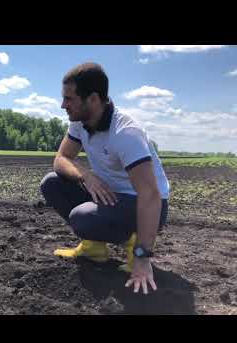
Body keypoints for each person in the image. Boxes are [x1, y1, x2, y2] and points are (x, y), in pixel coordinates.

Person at [40, 63, 170, 294]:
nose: (63, 105)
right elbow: (61, 158)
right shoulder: (79, 122)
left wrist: (143, 257)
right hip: (109, 194)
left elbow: (150, 195)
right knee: (52, 183)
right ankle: (93, 248)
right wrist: (85, 176)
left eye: (69, 99)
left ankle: (134, 244)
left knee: (83, 218)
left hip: (144, 203)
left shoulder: (126, 133)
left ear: (92, 99)